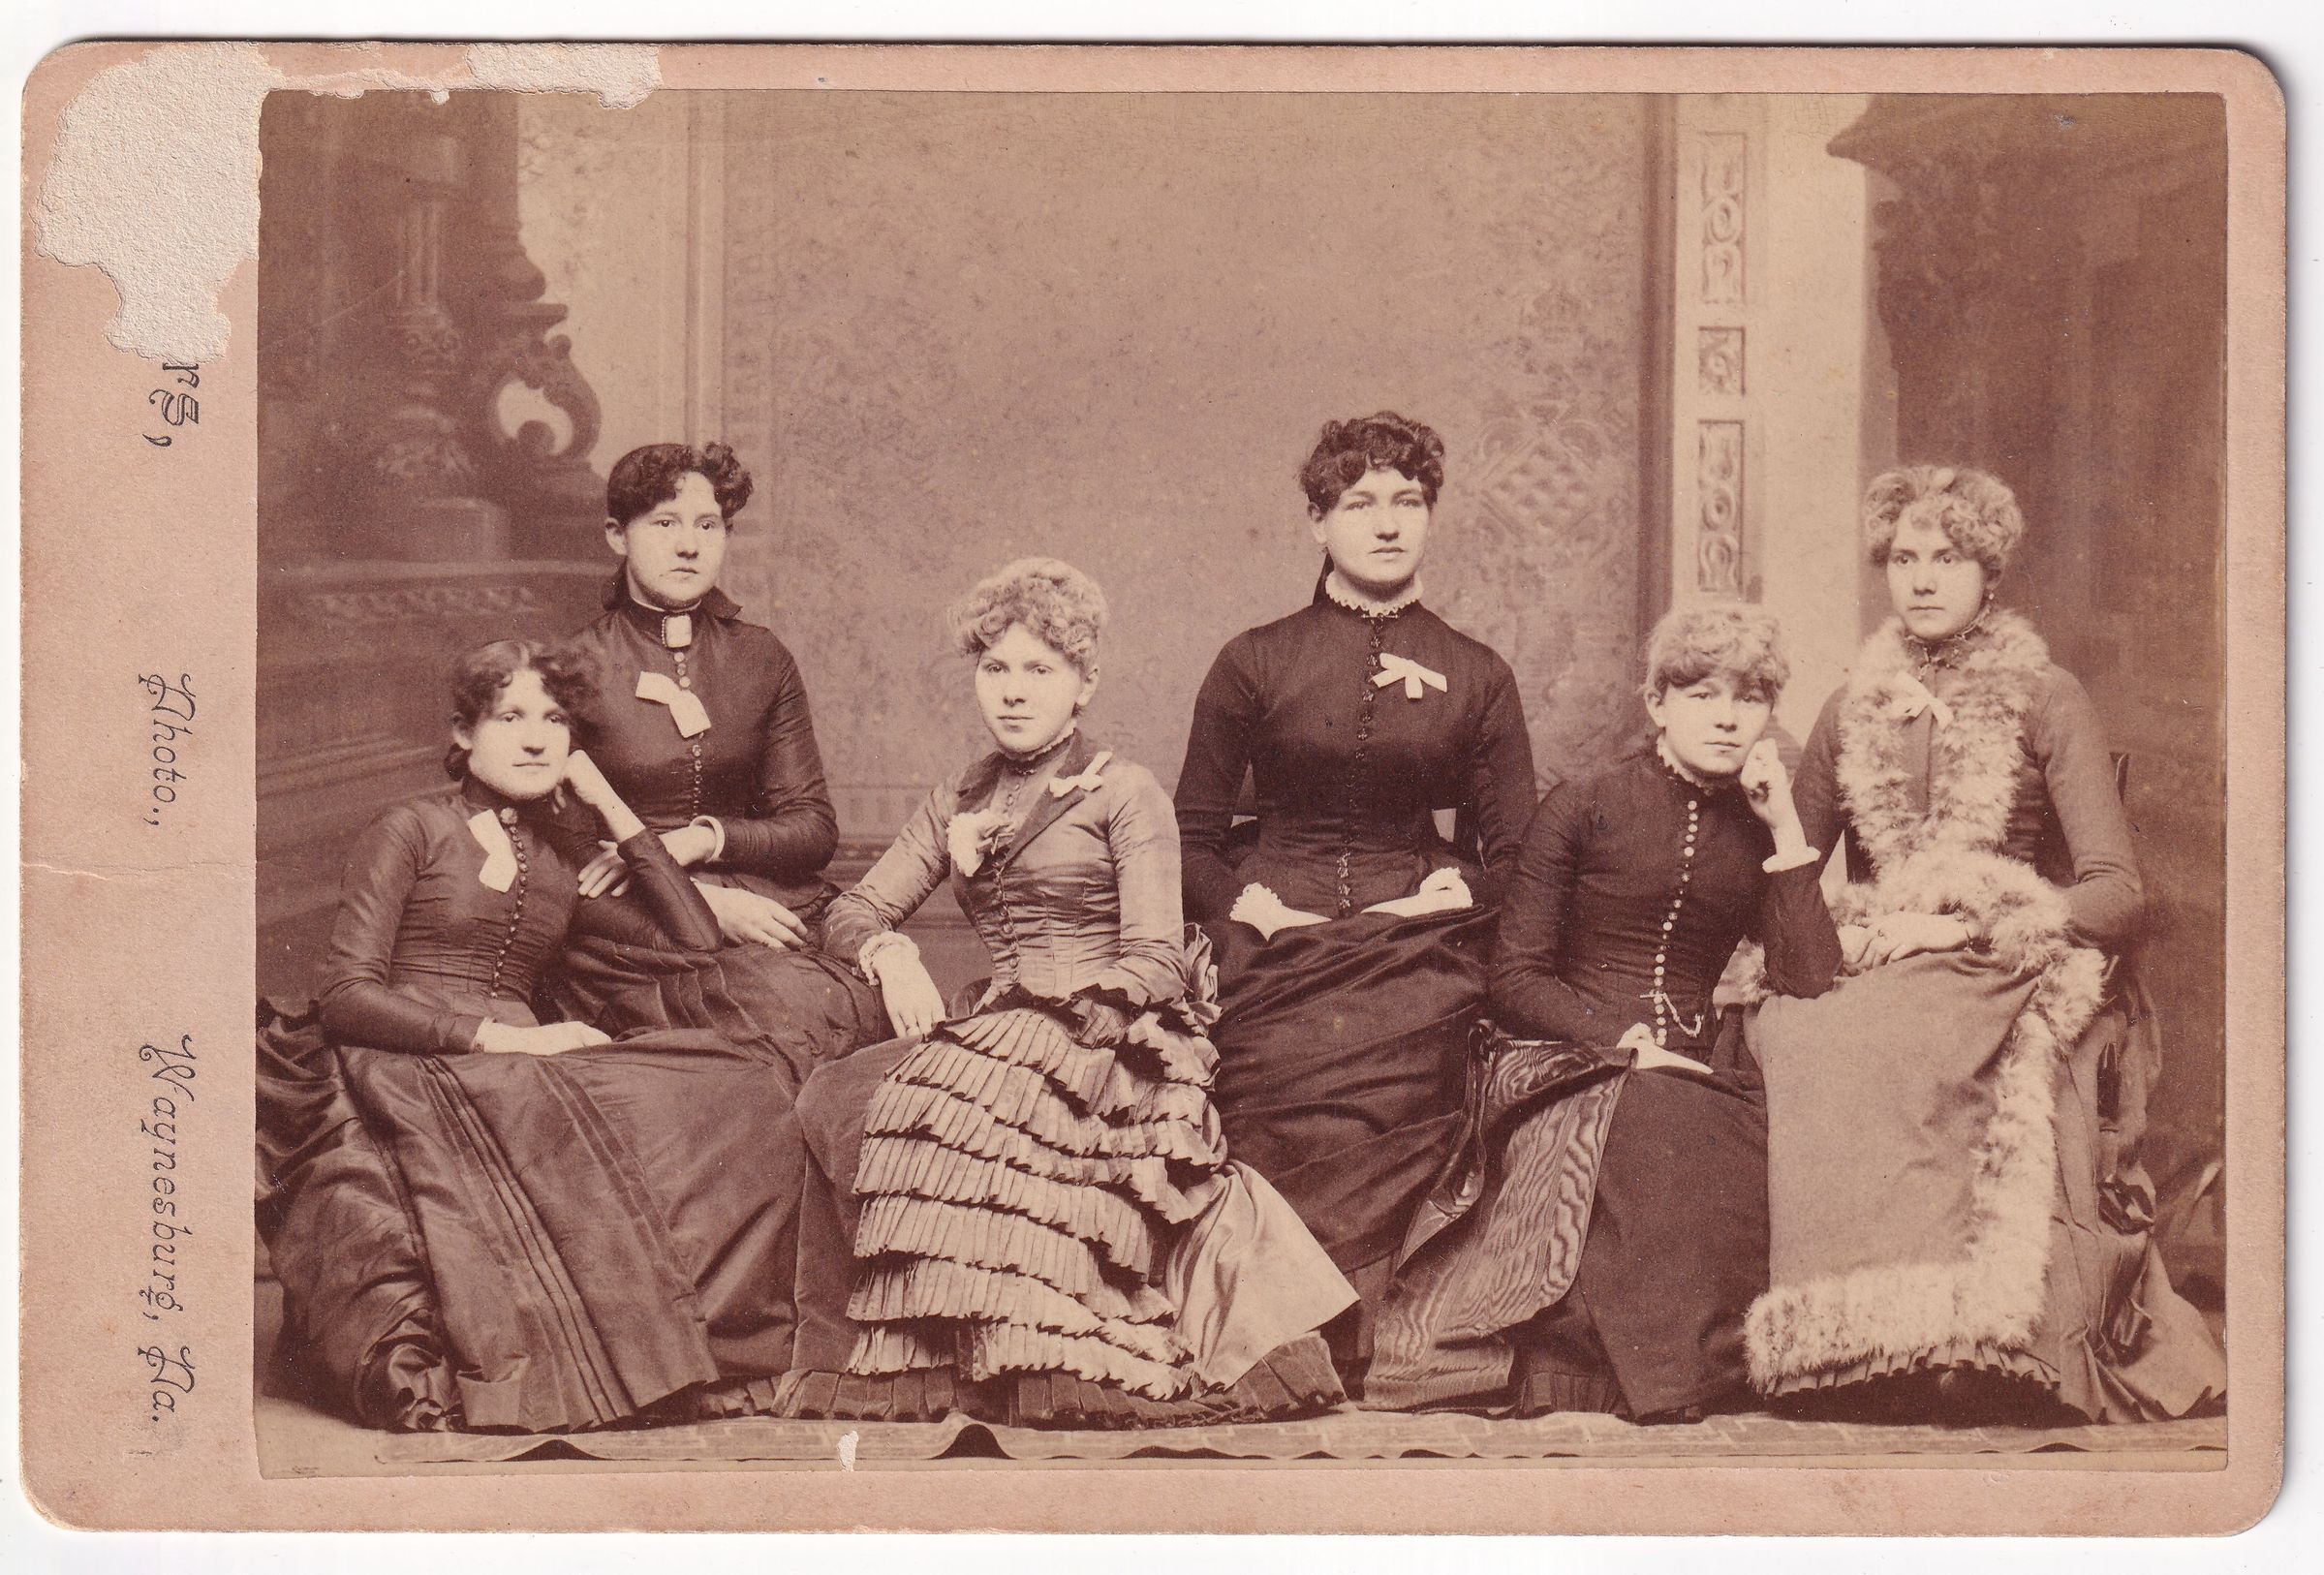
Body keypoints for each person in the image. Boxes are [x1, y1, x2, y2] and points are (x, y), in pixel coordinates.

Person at [775, 559, 1355, 1427]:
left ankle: (1048, 1353)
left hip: (1112, 1037)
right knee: (839, 1091)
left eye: (1039, 669)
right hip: (999, 1027)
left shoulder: (1124, 790)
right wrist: (890, 953)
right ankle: (926, 1355)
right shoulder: (958, 798)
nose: (1013, 691)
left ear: (1083, 684)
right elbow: (853, 909)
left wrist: (1052, 1021)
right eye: (994, 668)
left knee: (957, 1095)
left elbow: (1154, 958)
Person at [1745, 466, 2226, 1422]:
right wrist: (1790, 841)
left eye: (1947, 558)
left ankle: (1959, 1335)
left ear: (1989, 573)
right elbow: (1793, 901)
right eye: (1904, 559)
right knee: (1801, 1030)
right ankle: (1851, 1341)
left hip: (2003, 953)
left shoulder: (2045, 695)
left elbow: (2116, 891)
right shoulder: (1850, 705)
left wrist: (1965, 922)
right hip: (1890, 954)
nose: (1922, 579)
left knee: (1908, 1034)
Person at [257, 640, 809, 1432]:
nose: (535, 739)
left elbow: (691, 941)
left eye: (554, 721)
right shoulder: (411, 826)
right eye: (509, 717)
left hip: (525, 1058)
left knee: (735, 1085)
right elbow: (347, 995)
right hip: (413, 1054)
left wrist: (609, 806)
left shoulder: (560, 857)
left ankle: (685, 1348)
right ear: (463, 733)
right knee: (537, 1097)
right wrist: (498, 1039)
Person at [1366, 603, 1843, 1418]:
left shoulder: (1757, 822)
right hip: (1564, 1054)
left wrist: (1785, 826)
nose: (1727, 717)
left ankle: (1722, 1368)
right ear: (1657, 702)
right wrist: (1621, 1043)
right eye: (1701, 694)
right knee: (1652, 1120)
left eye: (1749, 697)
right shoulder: (1584, 804)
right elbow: (1515, 977)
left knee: (1756, 1133)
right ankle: (1650, 1376)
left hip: (1697, 1062)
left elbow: (1808, 978)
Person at [1171, 413, 1536, 1386]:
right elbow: (1190, 838)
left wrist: (1453, 891)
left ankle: (1386, 1343)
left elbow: (1517, 856)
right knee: (1263, 1067)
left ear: (1430, 517)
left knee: (1417, 1062)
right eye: (1359, 502)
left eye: (1407, 502)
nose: (1386, 523)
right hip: (1270, 934)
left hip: (1416, 940)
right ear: (1317, 522)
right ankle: (1282, 1337)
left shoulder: (1477, 672)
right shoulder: (1254, 659)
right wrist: (1247, 906)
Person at [547, 441, 880, 1090]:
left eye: (708, 526)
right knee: (784, 1020)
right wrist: (700, 899)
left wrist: (704, 839)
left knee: (862, 1006)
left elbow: (812, 828)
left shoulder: (761, 658)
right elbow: (563, 862)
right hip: (632, 931)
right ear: (617, 535)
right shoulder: (572, 666)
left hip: (766, 900)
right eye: (664, 523)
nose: (688, 546)